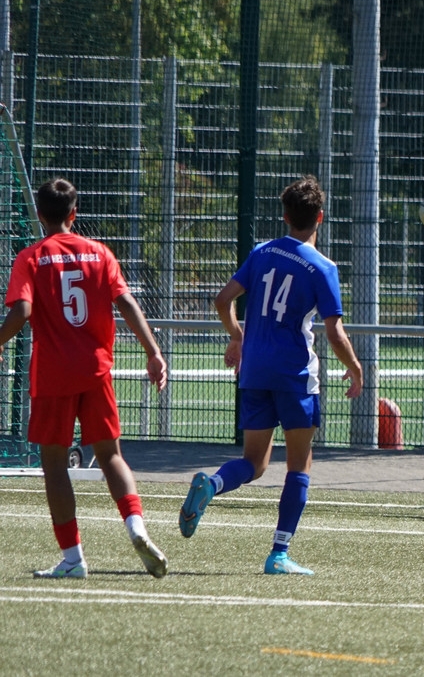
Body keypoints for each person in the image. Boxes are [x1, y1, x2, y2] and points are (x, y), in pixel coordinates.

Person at [179, 175, 363, 575]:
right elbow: (334, 332)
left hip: (255, 371)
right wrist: (355, 367)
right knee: (299, 465)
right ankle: (279, 554)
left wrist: (237, 336)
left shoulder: (262, 253)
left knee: (254, 462)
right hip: (294, 375)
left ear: (285, 216)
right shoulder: (323, 268)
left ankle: (213, 484)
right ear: (320, 217)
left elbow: (223, 299)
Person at [0, 178, 169, 579]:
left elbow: (22, 311)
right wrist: (153, 351)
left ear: (39, 214)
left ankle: (73, 558)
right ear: (74, 214)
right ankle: (136, 527)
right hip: (96, 370)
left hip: (53, 374)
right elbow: (125, 301)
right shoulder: (100, 253)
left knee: (55, 464)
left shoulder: (31, 257)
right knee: (111, 455)